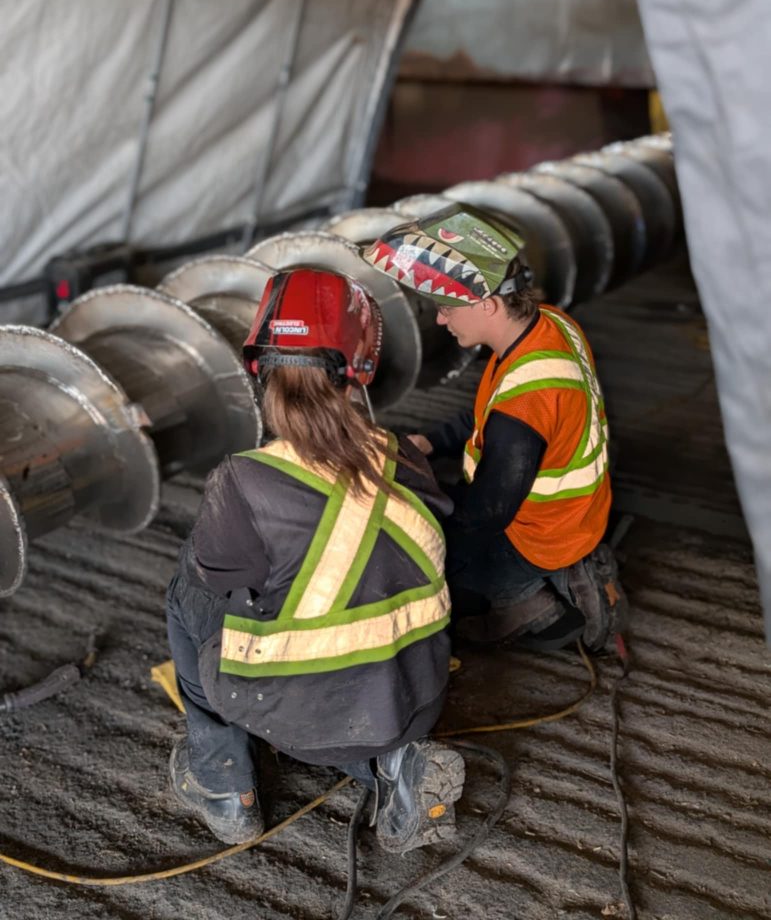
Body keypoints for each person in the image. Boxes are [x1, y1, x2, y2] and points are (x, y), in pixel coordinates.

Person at [165, 267, 464, 849]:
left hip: (293, 723)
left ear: (258, 369)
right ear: (362, 371)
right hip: (413, 701)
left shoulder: (244, 482)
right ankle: (395, 764)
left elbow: (214, 577)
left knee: (188, 589)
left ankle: (227, 787)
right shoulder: (405, 456)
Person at [364, 204, 626, 653]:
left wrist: (419, 518)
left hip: (540, 534)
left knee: (433, 560)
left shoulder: (523, 404)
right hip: (579, 512)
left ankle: (531, 605)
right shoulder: (551, 325)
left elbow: (488, 513)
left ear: (487, 304)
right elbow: (488, 416)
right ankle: (565, 567)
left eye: (446, 308)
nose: (441, 320)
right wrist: (434, 441)